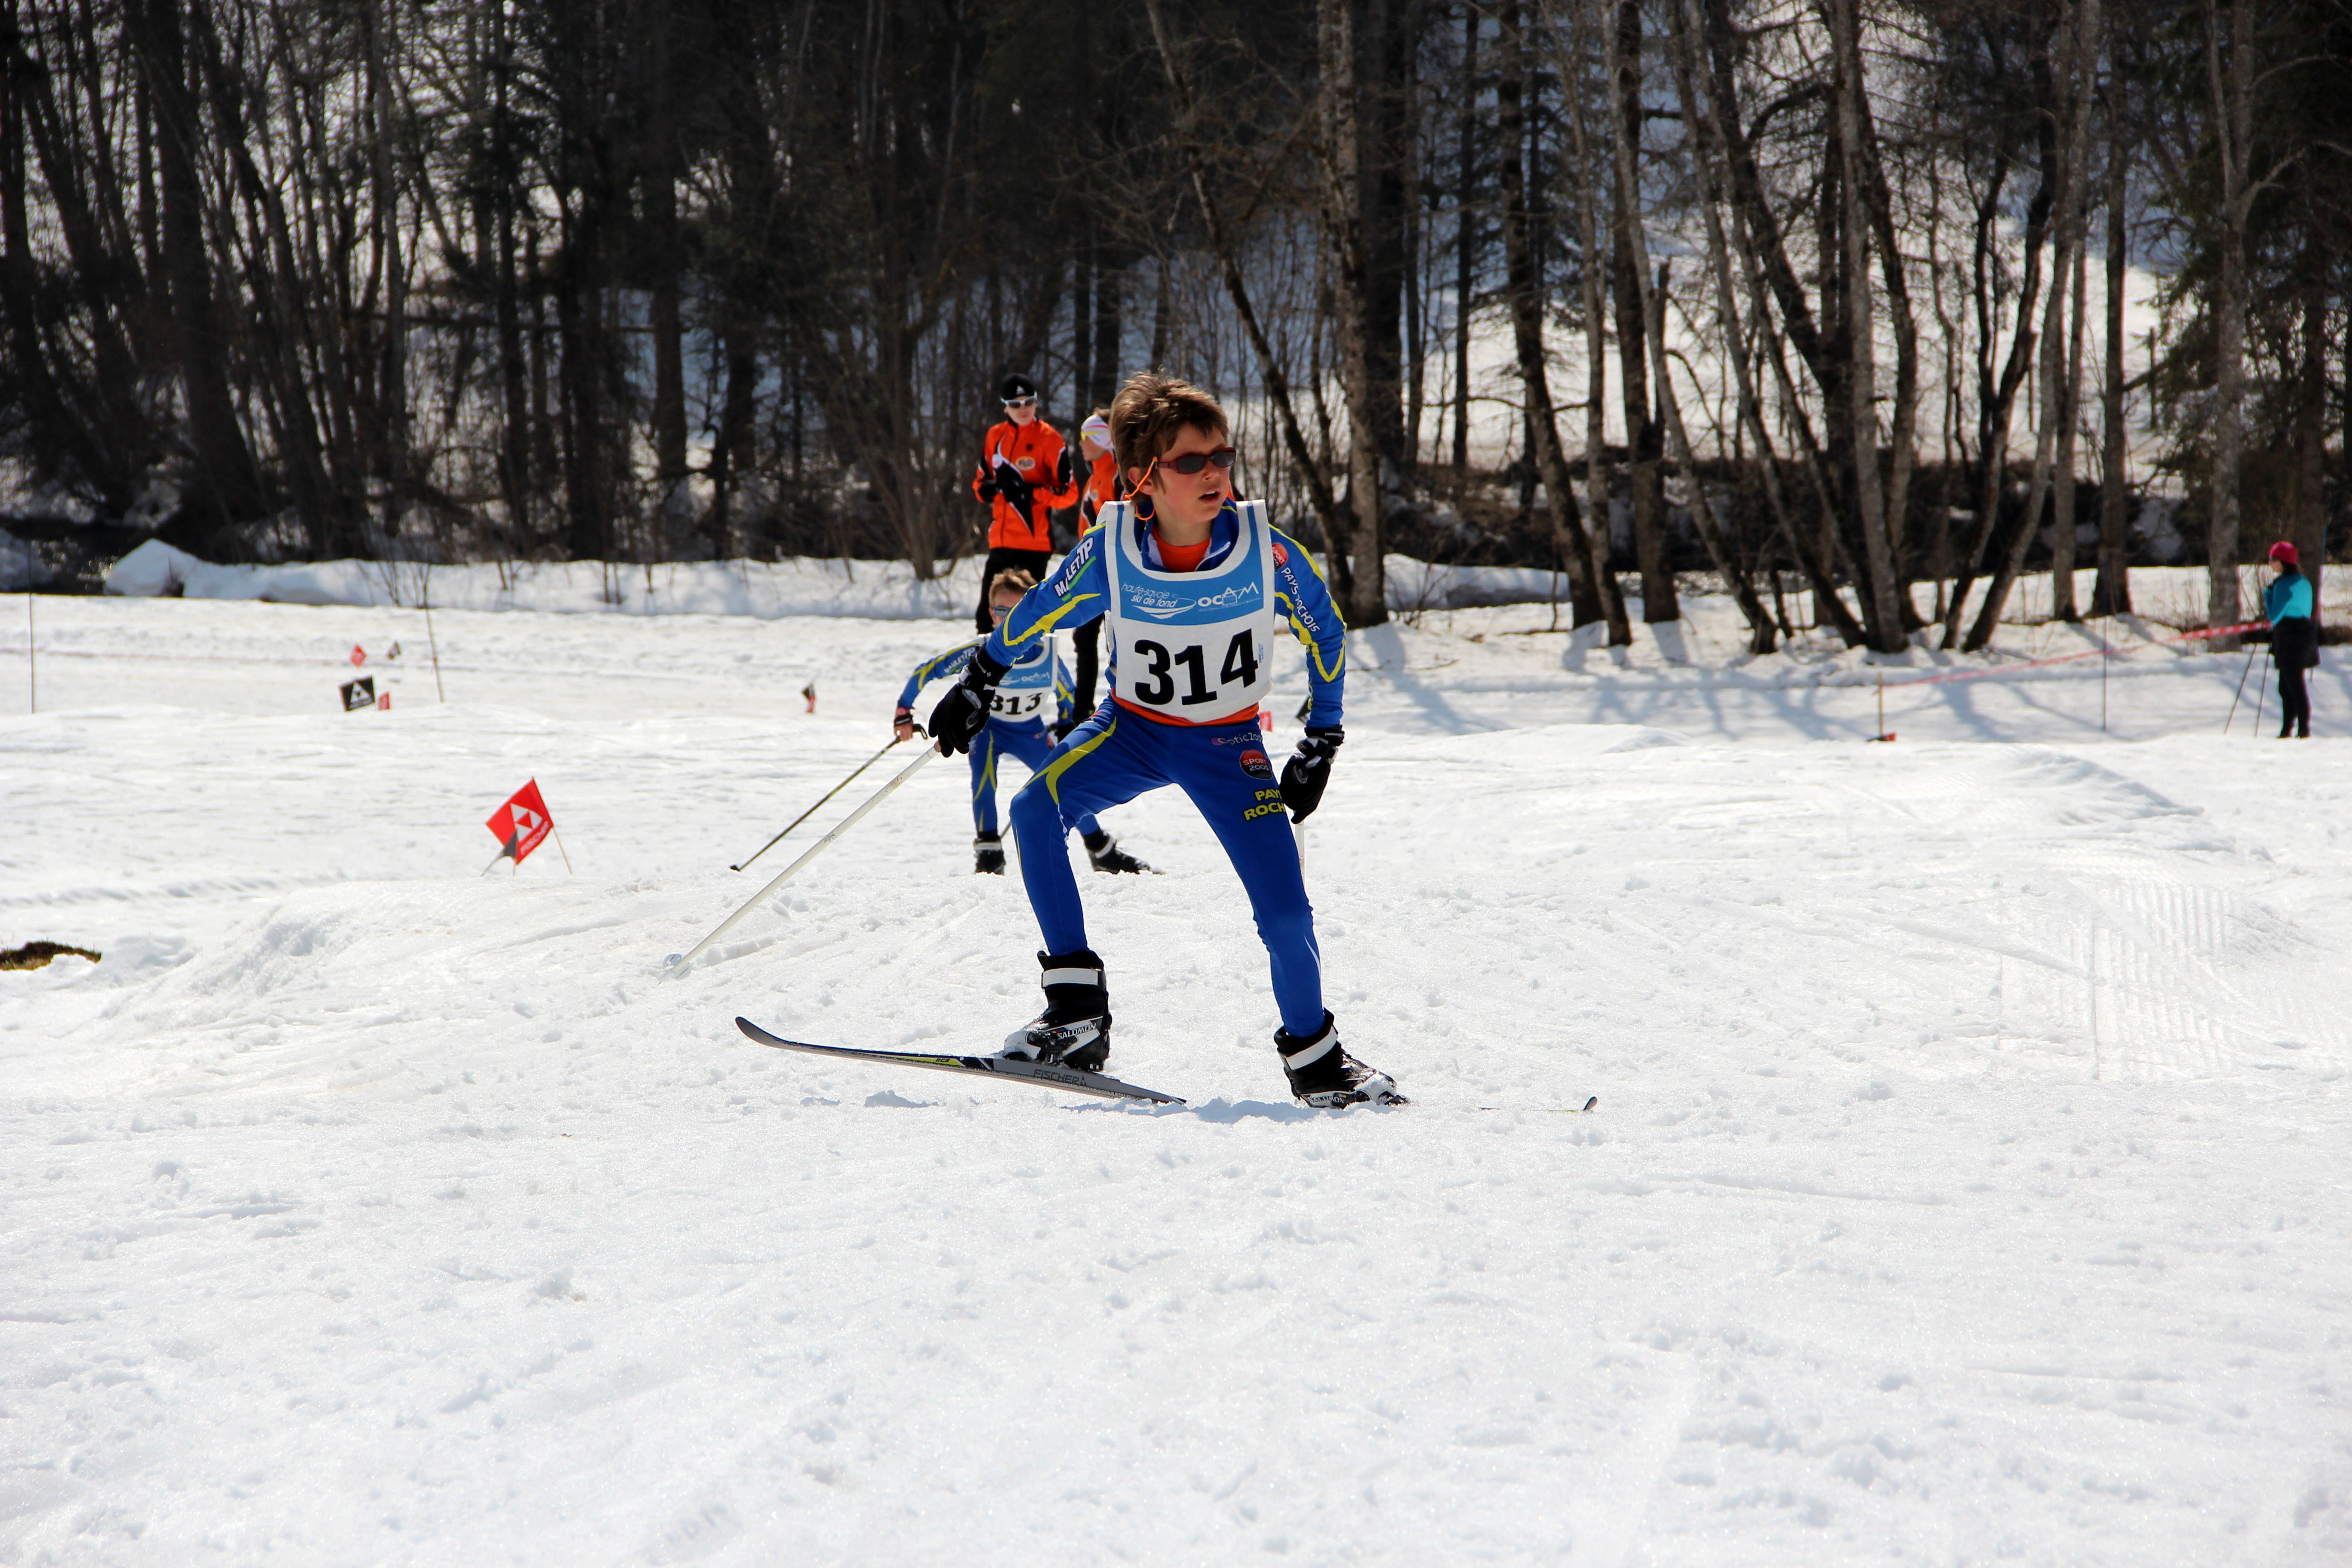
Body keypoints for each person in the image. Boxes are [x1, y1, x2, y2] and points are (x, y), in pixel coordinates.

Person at [924, 373, 1402, 1108]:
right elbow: (1040, 612)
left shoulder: (1262, 551)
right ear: (1143, 479)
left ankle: (1316, 1060)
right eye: (1190, 462)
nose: (1215, 472)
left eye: (1222, 455)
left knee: (1283, 911)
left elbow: (1325, 628)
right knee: (1031, 808)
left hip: (1226, 747)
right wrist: (979, 675)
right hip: (1131, 732)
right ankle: (1076, 1014)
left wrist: (1322, 738)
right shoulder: (1109, 550)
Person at [897, 569, 1152, 874]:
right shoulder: (981, 652)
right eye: (1003, 612)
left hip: (1028, 730)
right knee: (984, 778)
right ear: (992, 614)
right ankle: (989, 853)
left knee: (1063, 784)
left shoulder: (1048, 656)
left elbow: (1066, 694)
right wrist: (904, 711)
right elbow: (928, 670)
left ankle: (1101, 849)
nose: (1010, 621)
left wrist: (1065, 728)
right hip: (990, 729)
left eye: (1018, 612)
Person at [970, 374, 1079, 634]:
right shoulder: (995, 436)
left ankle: (1032, 669)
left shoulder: (1050, 439)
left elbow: (1070, 494)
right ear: (1005, 407)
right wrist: (995, 489)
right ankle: (989, 672)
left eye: (1028, 402)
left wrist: (1034, 493)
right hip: (1001, 541)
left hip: (1035, 543)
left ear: (1036, 403)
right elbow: (980, 484)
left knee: (1029, 616)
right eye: (1016, 404)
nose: (1023, 409)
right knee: (986, 618)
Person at [1059, 409, 1119, 735]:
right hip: (1092, 571)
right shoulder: (1096, 474)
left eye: (1086, 437)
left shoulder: (1114, 474)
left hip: (1109, 573)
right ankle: (1082, 713)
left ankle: (1113, 708)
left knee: (1112, 639)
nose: (1080, 444)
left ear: (1102, 438)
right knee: (1084, 637)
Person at [2264, 540, 2318, 739]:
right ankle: (2290, 729)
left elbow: (2274, 616)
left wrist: (2268, 595)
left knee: (2292, 686)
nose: (2270, 563)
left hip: (2289, 638)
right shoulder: (2303, 581)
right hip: (2305, 635)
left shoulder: (2283, 585)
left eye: (2273, 559)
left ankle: (2301, 730)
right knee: (2289, 685)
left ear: (2283, 562)